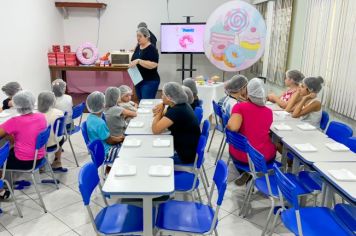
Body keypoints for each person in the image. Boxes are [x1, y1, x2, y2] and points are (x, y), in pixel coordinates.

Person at [227, 78, 276, 185]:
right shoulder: (269, 112)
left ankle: (246, 172)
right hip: (262, 158)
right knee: (274, 144)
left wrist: (228, 124)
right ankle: (253, 173)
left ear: (248, 92)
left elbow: (233, 127)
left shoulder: (239, 107)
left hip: (240, 155)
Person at [0, 91, 47, 198]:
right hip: (39, 157)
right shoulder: (41, 116)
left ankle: (1, 190)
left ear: (16, 105)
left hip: (24, 161)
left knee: (2, 156)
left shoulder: (15, 121)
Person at [152, 82, 201, 164]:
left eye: (163, 95)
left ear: (169, 98)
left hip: (185, 156)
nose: (161, 97)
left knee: (154, 157)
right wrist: (163, 104)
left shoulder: (177, 110)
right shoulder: (181, 105)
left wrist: (159, 111)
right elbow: (165, 116)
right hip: (187, 148)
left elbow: (155, 130)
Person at [86, 91, 125, 164]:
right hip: (106, 152)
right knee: (127, 151)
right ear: (103, 104)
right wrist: (122, 138)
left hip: (98, 149)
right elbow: (110, 140)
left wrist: (120, 138)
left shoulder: (90, 118)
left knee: (124, 144)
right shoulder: (100, 123)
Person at [37, 91, 67, 172]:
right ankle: (57, 162)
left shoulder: (36, 116)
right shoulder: (59, 112)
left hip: (40, 146)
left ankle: (40, 165)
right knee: (61, 137)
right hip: (56, 142)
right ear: (52, 101)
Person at [130, 27, 160, 100]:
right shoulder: (138, 47)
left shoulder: (152, 49)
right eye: (137, 36)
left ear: (146, 37)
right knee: (141, 103)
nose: (138, 38)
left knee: (146, 104)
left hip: (149, 81)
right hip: (138, 80)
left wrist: (139, 61)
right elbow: (134, 59)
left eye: (140, 36)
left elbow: (154, 64)